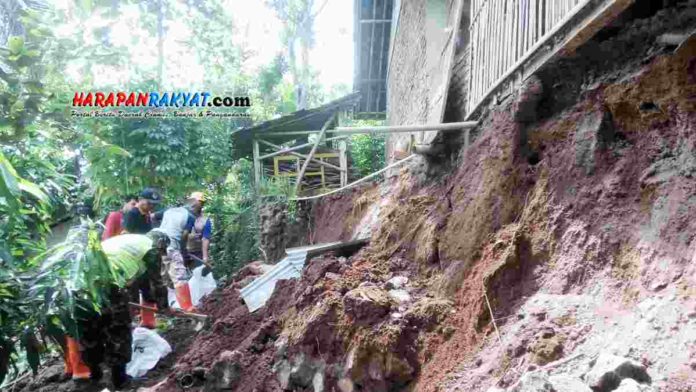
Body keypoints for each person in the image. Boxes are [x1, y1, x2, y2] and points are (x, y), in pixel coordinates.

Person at [76, 230, 169, 389]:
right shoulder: (150, 248)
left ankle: (95, 375)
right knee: (119, 331)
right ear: (159, 243)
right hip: (110, 284)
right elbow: (157, 282)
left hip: (81, 285)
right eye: (162, 250)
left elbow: (142, 282)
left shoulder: (128, 240)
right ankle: (120, 380)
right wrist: (164, 306)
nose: (161, 254)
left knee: (90, 330)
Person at [152, 197, 199, 311]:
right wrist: (184, 254)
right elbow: (184, 236)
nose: (198, 212)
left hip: (156, 245)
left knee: (163, 278)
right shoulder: (190, 216)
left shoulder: (169, 211)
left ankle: (162, 306)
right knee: (179, 275)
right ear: (192, 207)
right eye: (198, 209)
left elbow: (152, 216)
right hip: (172, 246)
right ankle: (187, 307)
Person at [185, 192, 213, 269]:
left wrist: (205, 257)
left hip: (198, 253)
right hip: (183, 252)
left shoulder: (205, 220)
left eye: (198, 203)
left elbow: (205, 239)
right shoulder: (183, 216)